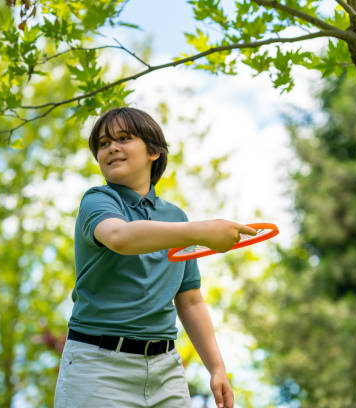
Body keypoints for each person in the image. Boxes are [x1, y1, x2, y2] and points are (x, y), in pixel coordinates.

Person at [54, 107, 256, 408]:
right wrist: (201, 231)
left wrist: (216, 367)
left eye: (123, 138)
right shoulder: (98, 200)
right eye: (103, 143)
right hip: (97, 367)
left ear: (154, 152)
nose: (111, 148)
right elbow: (121, 238)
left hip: (166, 370)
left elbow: (190, 300)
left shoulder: (175, 218)